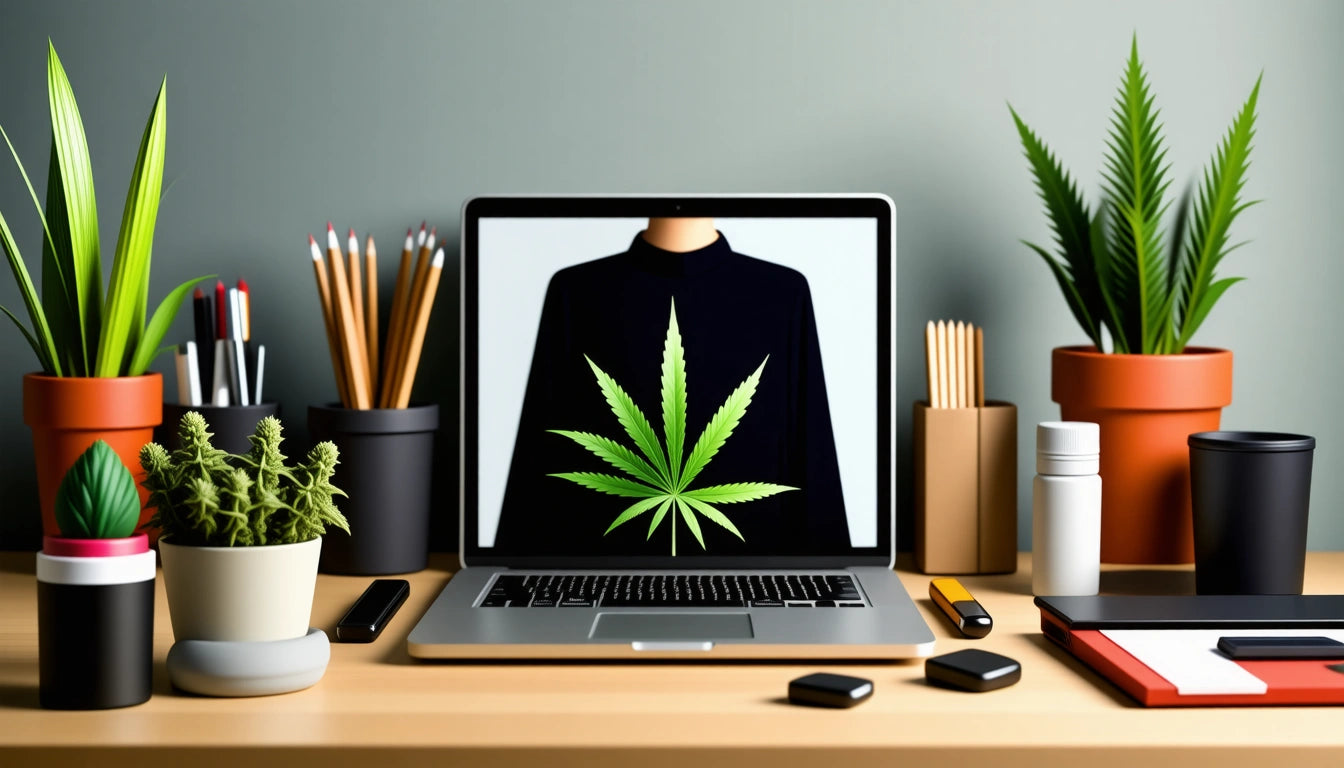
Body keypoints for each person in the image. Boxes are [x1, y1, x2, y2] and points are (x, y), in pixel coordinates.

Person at [494, 218, 849, 555]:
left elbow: (811, 449)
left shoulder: (783, 293)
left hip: (756, 575)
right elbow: (540, 456)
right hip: (602, 573)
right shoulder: (574, 291)